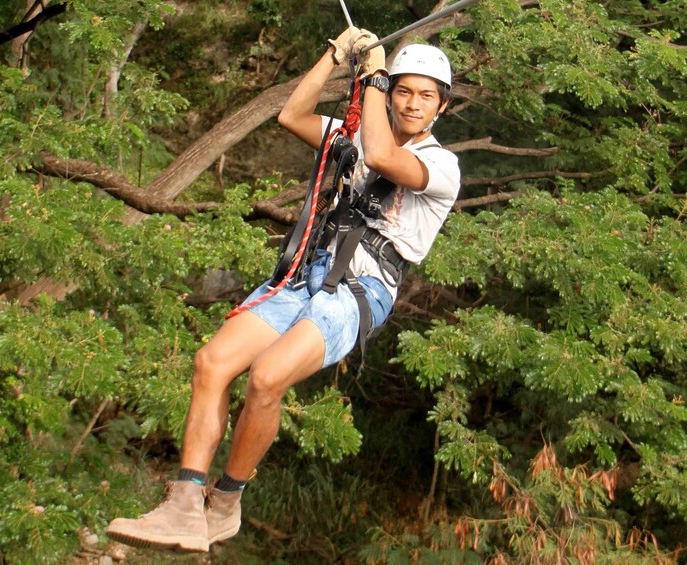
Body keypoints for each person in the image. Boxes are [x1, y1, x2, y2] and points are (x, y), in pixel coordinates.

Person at [105, 26, 461, 553]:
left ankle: (226, 502)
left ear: (442, 107)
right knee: (212, 363)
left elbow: (384, 158)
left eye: (424, 95)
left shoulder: (442, 166)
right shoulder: (362, 135)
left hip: (360, 291)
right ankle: (183, 504)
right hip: (309, 272)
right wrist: (334, 56)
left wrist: (378, 77)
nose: (410, 103)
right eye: (404, 91)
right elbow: (292, 116)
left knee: (267, 378)